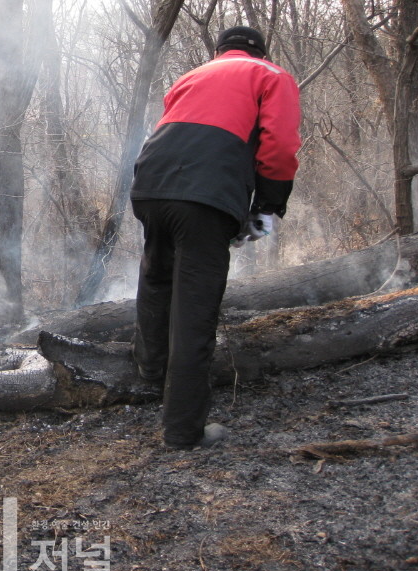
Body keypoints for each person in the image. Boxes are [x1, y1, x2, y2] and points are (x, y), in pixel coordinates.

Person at [129, 26, 302, 450]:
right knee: (195, 307)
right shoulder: (271, 75)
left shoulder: (192, 75)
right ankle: (183, 430)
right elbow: (280, 146)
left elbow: (170, 129)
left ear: (220, 50)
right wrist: (267, 207)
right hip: (205, 196)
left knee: (157, 277)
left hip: (150, 184)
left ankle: (150, 375)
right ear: (260, 52)